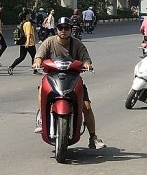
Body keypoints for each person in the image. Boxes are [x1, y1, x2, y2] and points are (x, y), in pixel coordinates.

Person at [32, 17, 106, 149]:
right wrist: (37, 62)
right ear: (56, 30)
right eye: (60, 28)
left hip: (73, 79)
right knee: (41, 90)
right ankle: (41, 119)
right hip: (52, 77)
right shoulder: (49, 42)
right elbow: (39, 55)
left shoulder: (77, 44)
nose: (63, 31)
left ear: (71, 30)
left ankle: (93, 137)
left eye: (67, 28)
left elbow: (86, 58)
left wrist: (87, 64)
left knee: (86, 106)